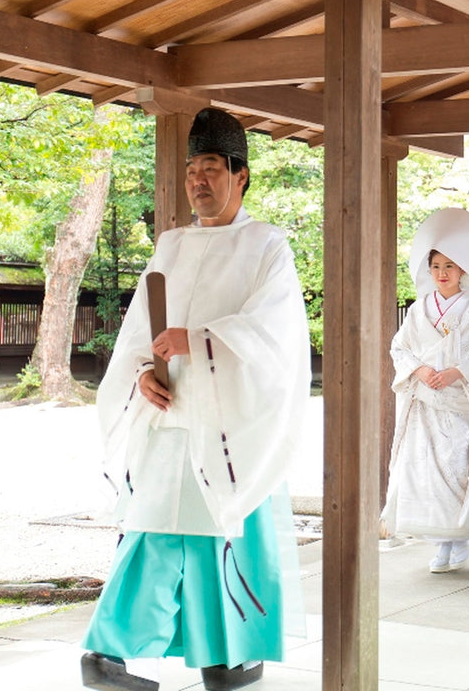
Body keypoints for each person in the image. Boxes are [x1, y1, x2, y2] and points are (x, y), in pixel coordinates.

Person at [81, 108, 312, 691]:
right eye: (192, 170)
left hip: (232, 422)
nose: (198, 180)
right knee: (153, 532)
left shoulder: (266, 246)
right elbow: (139, 331)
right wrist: (141, 374)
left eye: (211, 167)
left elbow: (276, 331)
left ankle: (224, 657)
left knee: (220, 536)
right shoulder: (172, 245)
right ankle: (107, 655)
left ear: (242, 176)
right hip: (170, 416)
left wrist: (201, 341)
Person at [381, 208, 469, 573]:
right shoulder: (419, 309)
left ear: (463, 270)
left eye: (450, 266)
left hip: (459, 400)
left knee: (458, 470)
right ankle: (440, 543)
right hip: (426, 401)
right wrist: (419, 369)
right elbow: (399, 347)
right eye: (436, 267)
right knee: (428, 473)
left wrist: (456, 372)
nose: (442, 274)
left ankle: (461, 537)